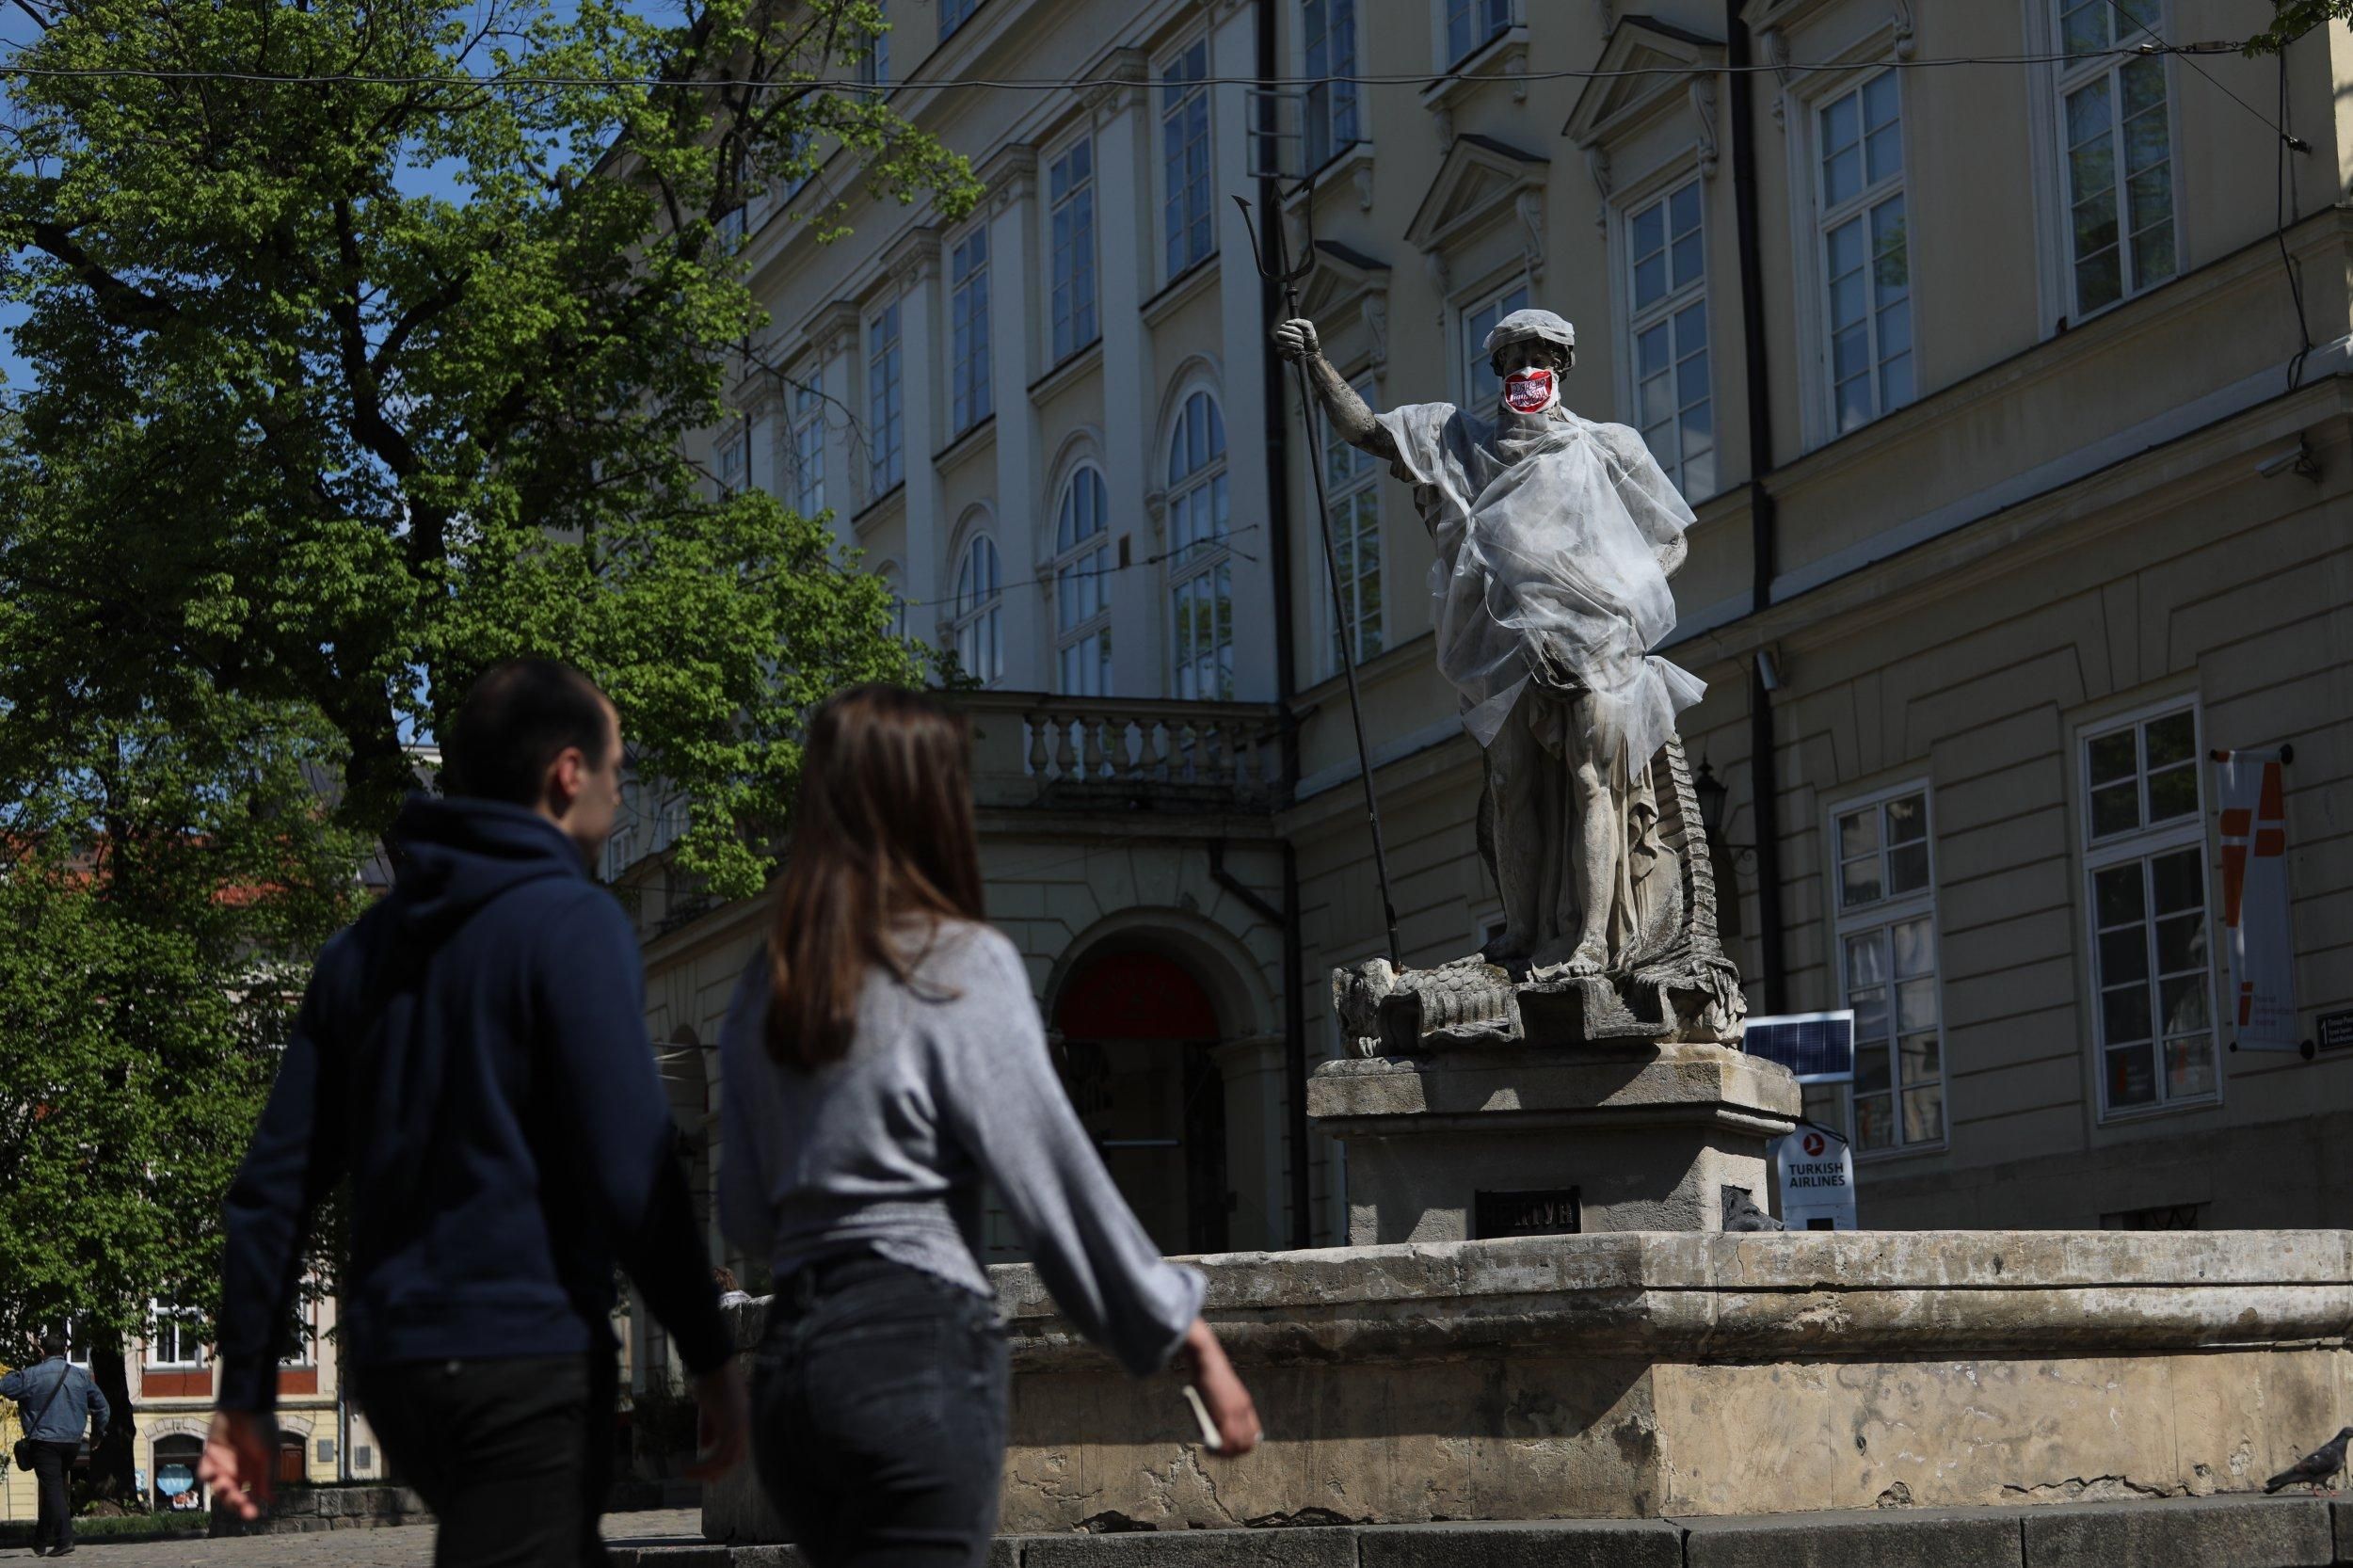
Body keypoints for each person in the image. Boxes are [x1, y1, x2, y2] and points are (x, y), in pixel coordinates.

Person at [199, 658, 747, 1567]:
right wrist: (711, 1355)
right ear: (567, 774)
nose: (620, 792)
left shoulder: (360, 952)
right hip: (518, 1351)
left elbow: (271, 1192)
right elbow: (635, 1167)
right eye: (617, 770)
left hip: (395, 1362)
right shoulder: (573, 924)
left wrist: (247, 1390)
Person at [719, 684, 1259, 1568]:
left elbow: (744, 1215)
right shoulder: (957, 964)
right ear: (936, 805)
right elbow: (1054, 1186)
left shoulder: (767, 983)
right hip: (913, 1352)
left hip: (794, 1375)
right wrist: (1186, 1334)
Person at [1274, 309, 1705, 979]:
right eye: (1511, 355)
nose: (1525, 364)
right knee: (1509, 781)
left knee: (1592, 780)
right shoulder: (1462, 440)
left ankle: (1593, 940)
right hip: (1502, 642)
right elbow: (1366, 431)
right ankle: (1524, 929)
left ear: (1561, 366)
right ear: (1497, 369)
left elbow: (1670, 536)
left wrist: (1621, 601)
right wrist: (1318, 363)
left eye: (1539, 352)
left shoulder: (1605, 445)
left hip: (1596, 640)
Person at [3, 1332, 108, 1558]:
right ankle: (40, 1541)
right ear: (65, 1351)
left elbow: (6, 1386)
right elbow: (102, 1407)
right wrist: (98, 1434)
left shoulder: (31, 1375)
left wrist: (31, 1359)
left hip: (44, 1442)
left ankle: (64, 1539)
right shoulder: (81, 1376)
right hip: (72, 1441)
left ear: (43, 1350)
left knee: (53, 1488)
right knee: (54, 1489)